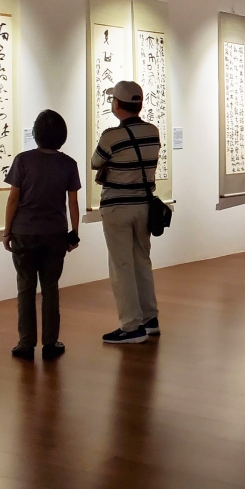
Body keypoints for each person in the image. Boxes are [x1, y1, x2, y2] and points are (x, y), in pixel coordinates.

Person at [3, 109, 81, 361]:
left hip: (24, 232)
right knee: (50, 288)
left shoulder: (22, 161)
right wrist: (74, 233)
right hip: (55, 234)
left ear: (36, 134)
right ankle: (50, 342)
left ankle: (26, 343)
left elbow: (13, 199)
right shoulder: (68, 164)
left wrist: (6, 232)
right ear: (62, 136)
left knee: (25, 287)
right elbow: (73, 202)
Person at [92, 81, 162, 344]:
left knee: (121, 266)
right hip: (144, 206)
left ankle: (131, 326)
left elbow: (95, 162)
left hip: (117, 207)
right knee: (142, 261)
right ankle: (150, 318)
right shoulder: (152, 131)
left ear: (118, 105)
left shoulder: (111, 136)